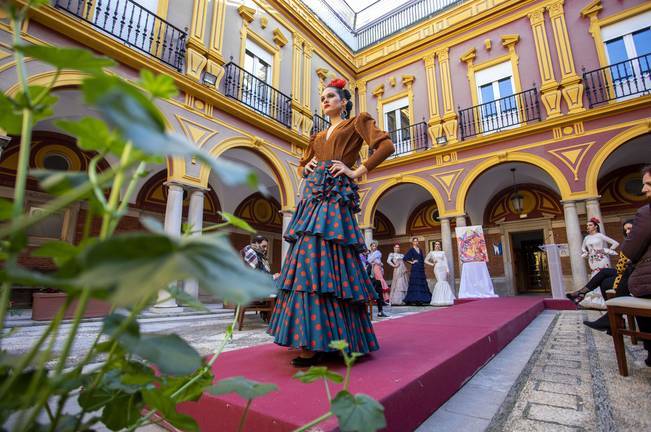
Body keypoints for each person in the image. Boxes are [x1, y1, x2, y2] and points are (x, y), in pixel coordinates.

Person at [267, 78, 395, 367]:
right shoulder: (317, 136)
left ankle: (334, 341)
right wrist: (305, 168)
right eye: (322, 97)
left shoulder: (356, 123)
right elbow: (302, 165)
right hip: (313, 198)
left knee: (332, 261)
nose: (324, 100)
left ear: (343, 102)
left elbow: (386, 146)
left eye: (330, 96)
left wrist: (356, 171)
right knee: (308, 261)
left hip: (335, 198)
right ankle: (312, 340)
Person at [567, 219, 634, 305]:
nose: (588, 227)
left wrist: (605, 250)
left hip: (603, 259)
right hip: (593, 259)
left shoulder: (600, 235)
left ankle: (582, 293)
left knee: (602, 275)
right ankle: (583, 294)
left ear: (596, 226)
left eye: (590, 225)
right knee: (600, 274)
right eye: (587, 225)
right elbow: (583, 248)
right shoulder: (587, 238)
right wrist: (586, 252)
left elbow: (615, 243)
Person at [240, 235, 281, 322]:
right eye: (263, 246)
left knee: (280, 282)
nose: (266, 249)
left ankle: (268, 313)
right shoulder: (251, 253)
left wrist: (273, 276)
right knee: (281, 287)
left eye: (266, 247)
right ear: (256, 244)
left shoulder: (258, 255)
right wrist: (272, 277)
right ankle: (274, 316)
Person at [425, 240, 455, 306]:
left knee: (444, 282)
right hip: (437, 268)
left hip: (443, 268)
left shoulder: (442, 252)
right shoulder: (431, 253)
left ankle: (446, 299)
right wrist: (432, 264)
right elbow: (425, 260)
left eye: (438, 244)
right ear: (434, 245)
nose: (437, 245)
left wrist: (447, 270)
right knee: (440, 281)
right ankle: (438, 300)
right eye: (436, 244)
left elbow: (445, 261)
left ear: (440, 246)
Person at [403, 237, 432, 305]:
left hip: (420, 268)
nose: (416, 242)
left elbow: (422, 259)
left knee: (421, 282)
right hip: (415, 268)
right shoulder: (411, 250)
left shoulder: (420, 250)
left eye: (417, 241)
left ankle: (422, 299)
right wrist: (412, 262)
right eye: (415, 241)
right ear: (413, 242)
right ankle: (415, 299)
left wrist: (423, 268)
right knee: (415, 283)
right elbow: (405, 258)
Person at [362, 249, 387, 318]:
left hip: (372, 279)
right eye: (366, 252)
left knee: (379, 289)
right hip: (364, 280)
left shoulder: (369, 259)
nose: (367, 253)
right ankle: (366, 311)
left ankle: (380, 312)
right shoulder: (361, 258)